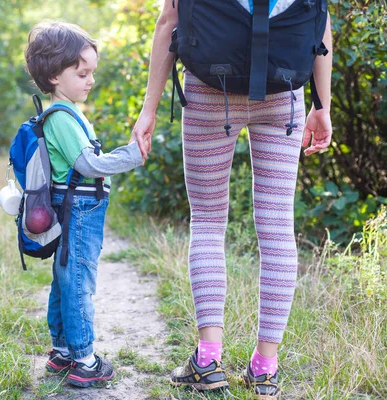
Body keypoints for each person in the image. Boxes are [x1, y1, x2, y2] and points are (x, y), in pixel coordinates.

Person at [131, 0, 333, 398]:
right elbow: (321, 27)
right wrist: (322, 106)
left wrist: (148, 109)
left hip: (210, 92)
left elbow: (169, 21)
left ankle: (207, 361)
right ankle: (265, 368)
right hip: (283, 96)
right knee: (277, 228)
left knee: (207, 220)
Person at [24, 21, 144, 388]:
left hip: (74, 206)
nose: (90, 80)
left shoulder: (66, 111)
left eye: (92, 71)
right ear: (55, 76)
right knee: (78, 281)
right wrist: (132, 155)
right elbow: (88, 165)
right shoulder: (62, 116)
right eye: (82, 73)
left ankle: (62, 352)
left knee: (65, 280)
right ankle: (84, 359)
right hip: (78, 209)